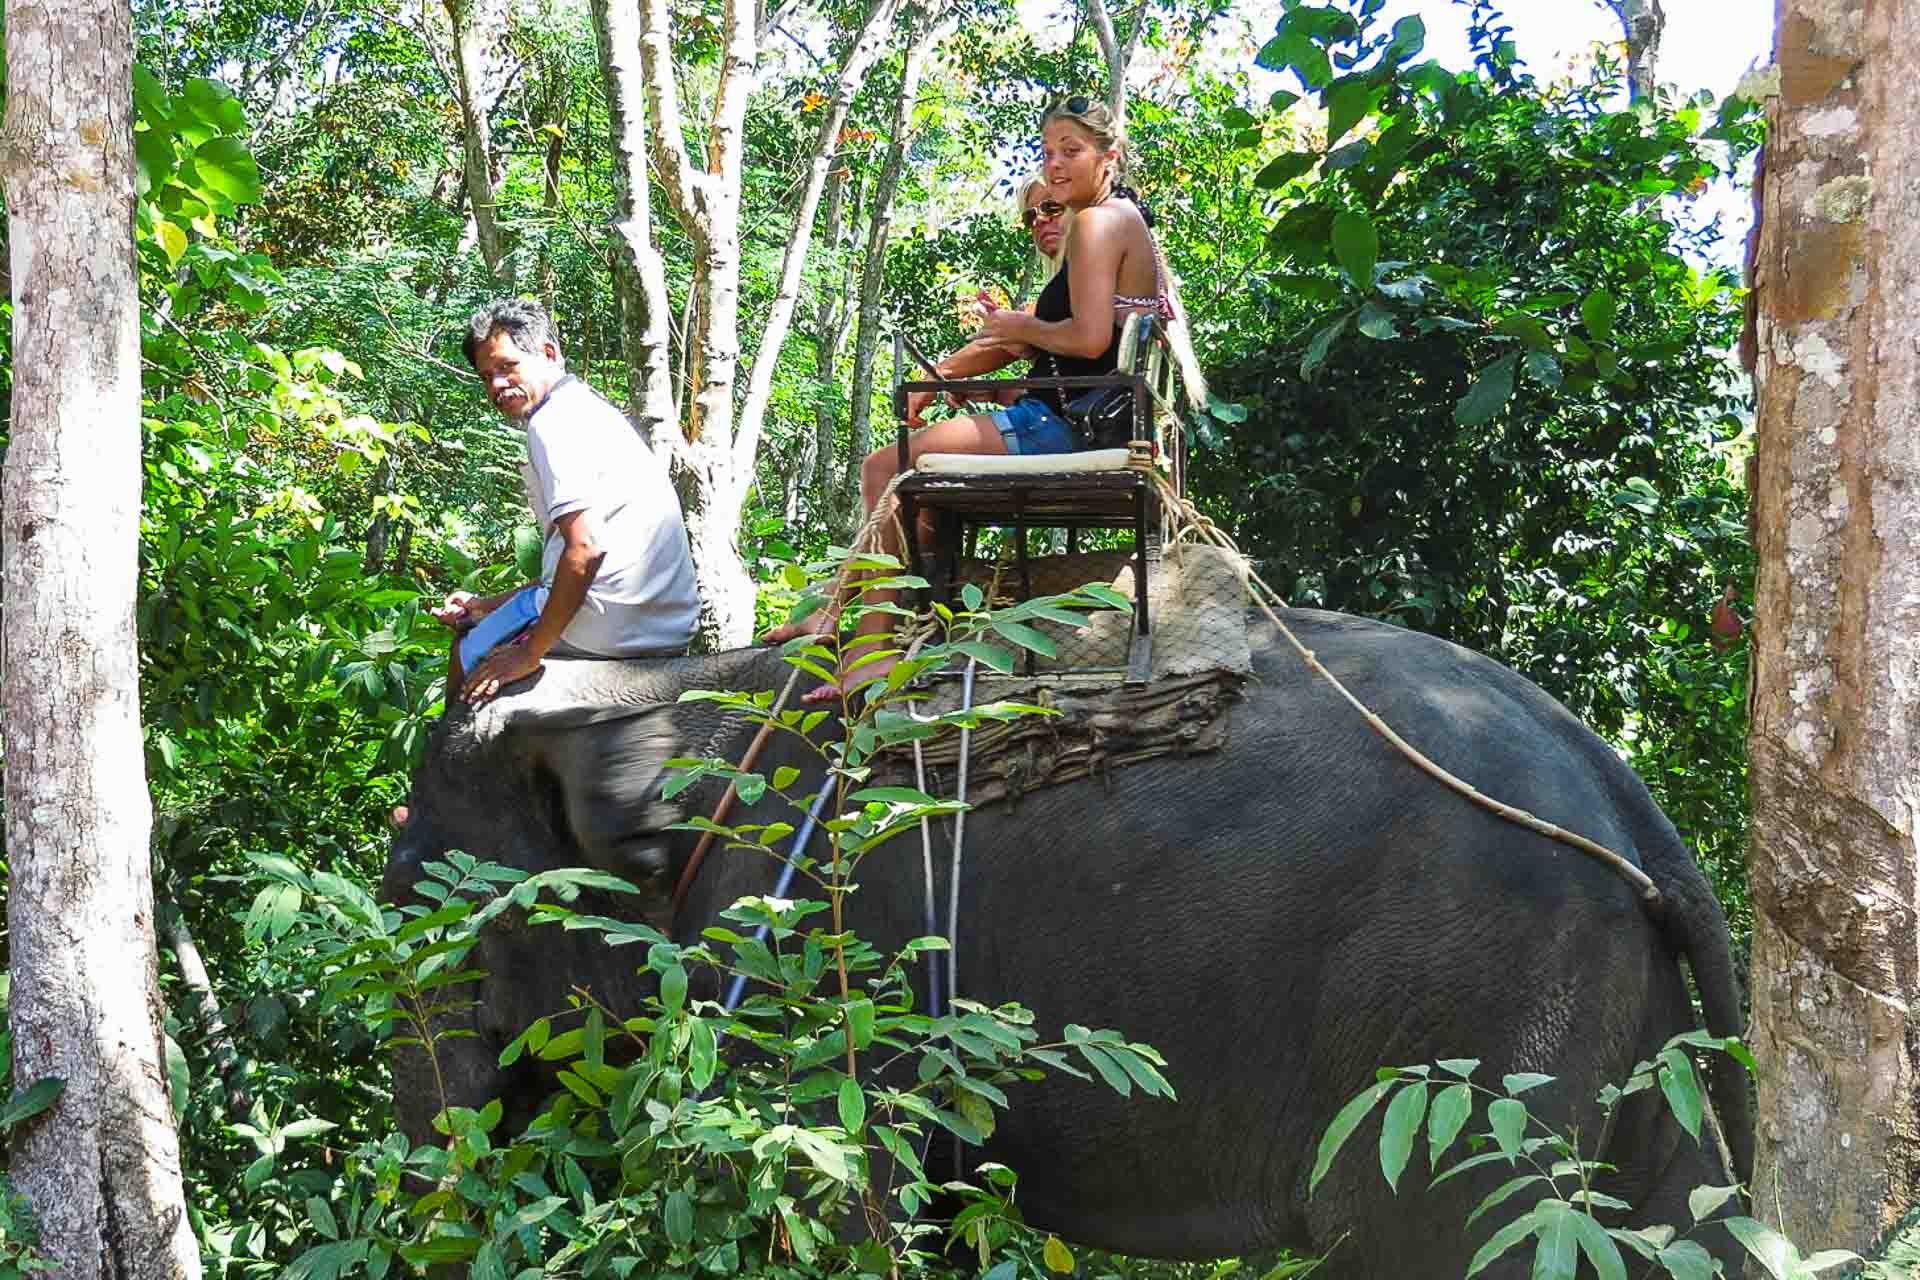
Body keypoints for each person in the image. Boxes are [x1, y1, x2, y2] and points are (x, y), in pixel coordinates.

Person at [774, 96, 1208, 703]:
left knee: (884, 465)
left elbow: (1085, 339)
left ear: (1110, 157)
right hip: (1087, 416)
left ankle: (870, 649)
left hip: (1069, 425)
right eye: (1048, 151)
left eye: (1071, 152)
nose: (1054, 165)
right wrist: (1011, 335)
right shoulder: (1122, 219)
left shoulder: (1096, 223)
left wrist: (1014, 325)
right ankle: (840, 613)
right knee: (908, 461)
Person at [434, 299, 699, 707]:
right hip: (666, 623)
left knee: (466, 651)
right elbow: (562, 573)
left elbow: (586, 549)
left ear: (549, 354)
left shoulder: (552, 422)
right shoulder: (588, 408)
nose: (496, 386)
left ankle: (444, 760)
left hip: (610, 625)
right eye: (487, 376)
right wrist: (484, 606)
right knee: (491, 617)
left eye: (507, 367)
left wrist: (528, 653)